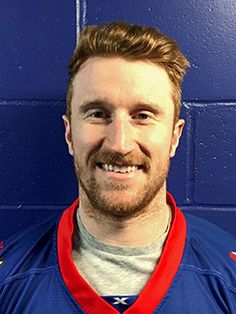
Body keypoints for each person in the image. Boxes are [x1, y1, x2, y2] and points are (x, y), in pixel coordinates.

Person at [0, 21, 236, 314]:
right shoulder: (8, 276)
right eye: (98, 114)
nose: (119, 144)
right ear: (70, 133)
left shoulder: (229, 277)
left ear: (174, 137)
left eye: (143, 115)